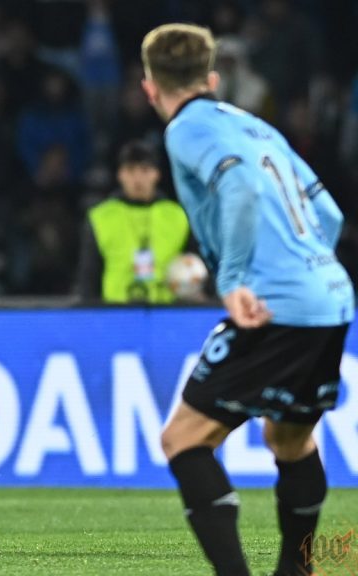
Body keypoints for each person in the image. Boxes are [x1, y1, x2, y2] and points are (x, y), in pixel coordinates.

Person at [142, 23, 354, 576]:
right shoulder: (256, 127)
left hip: (276, 305)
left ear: (149, 87)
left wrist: (235, 279)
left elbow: (239, 187)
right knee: (288, 436)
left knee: (183, 439)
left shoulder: (186, 127)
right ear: (213, 78)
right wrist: (307, 271)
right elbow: (328, 214)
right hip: (329, 297)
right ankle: (297, 570)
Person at [75, 140, 190, 303]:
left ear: (156, 174)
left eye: (144, 170)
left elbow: (195, 266)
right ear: (120, 175)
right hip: (114, 314)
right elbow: (88, 277)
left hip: (166, 313)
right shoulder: (100, 217)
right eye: (130, 170)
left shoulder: (178, 216)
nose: (137, 179)